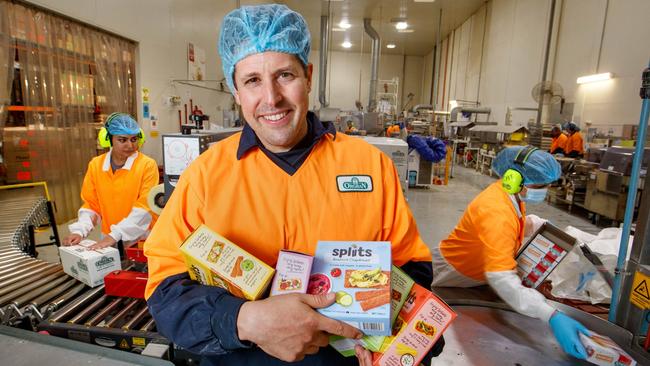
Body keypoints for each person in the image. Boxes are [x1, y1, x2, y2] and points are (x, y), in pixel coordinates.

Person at [143, 4, 441, 366]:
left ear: (309, 76)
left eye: (285, 75)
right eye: (252, 80)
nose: (271, 98)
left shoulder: (369, 166)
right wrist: (245, 319)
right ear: (235, 90)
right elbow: (165, 288)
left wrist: (396, 334)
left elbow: (411, 265)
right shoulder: (206, 175)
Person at [431, 146, 590, 360]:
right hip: (451, 273)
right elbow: (502, 279)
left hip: (469, 269)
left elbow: (513, 223)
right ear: (515, 178)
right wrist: (550, 315)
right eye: (540, 185)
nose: (543, 190)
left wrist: (538, 225)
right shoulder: (497, 211)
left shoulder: (509, 194)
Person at [62, 113, 159, 250]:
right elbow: (91, 204)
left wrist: (115, 235)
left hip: (140, 237)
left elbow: (145, 207)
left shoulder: (147, 165)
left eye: (134, 139)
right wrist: (80, 231)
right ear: (109, 139)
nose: (130, 145)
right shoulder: (96, 165)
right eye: (122, 140)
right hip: (108, 237)